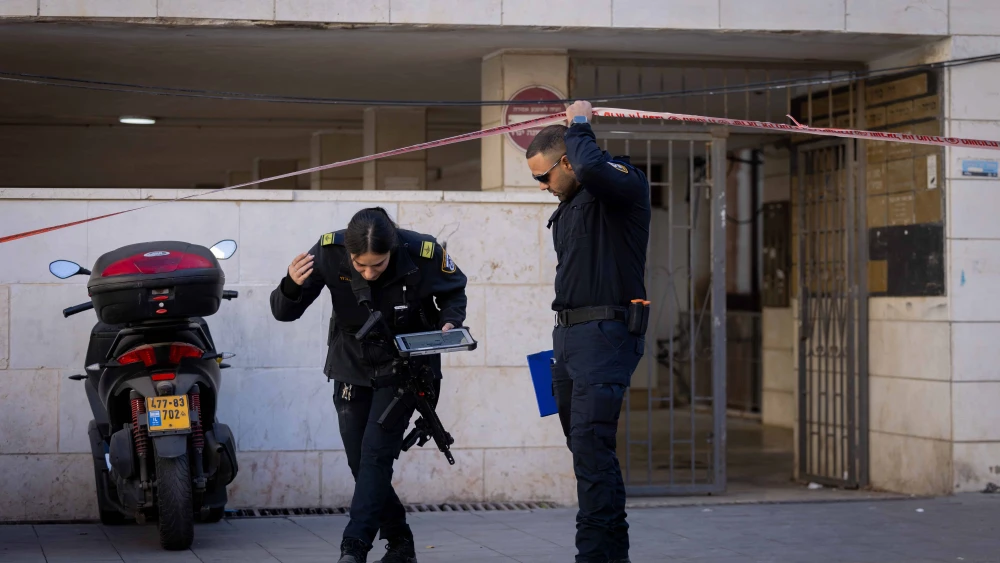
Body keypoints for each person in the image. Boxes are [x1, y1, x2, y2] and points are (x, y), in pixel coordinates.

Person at [269, 207, 468, 563]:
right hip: (351, 364)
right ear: (348, 252)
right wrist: (290, 284)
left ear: (392, 247)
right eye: (360, 265)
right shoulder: (329, 252)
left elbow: (455, 292)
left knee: (376, 455)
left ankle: (354, 547)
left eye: (377, 264)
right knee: (359, 461)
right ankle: (400, 542)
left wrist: (451, 322)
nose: (368, 272)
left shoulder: (422, 252)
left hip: (404, 368)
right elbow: (284, 312)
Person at [525, 100, 651, 563]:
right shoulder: (571, 204)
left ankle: (594, 556)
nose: (542, 187)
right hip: (568, 339)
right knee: (584, 448)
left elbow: (594, 169)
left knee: (592, 447)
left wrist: (579, 123)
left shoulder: (622, 184)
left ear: (568, 161)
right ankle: (612, 553)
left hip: (606, 335)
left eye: (545, 177)